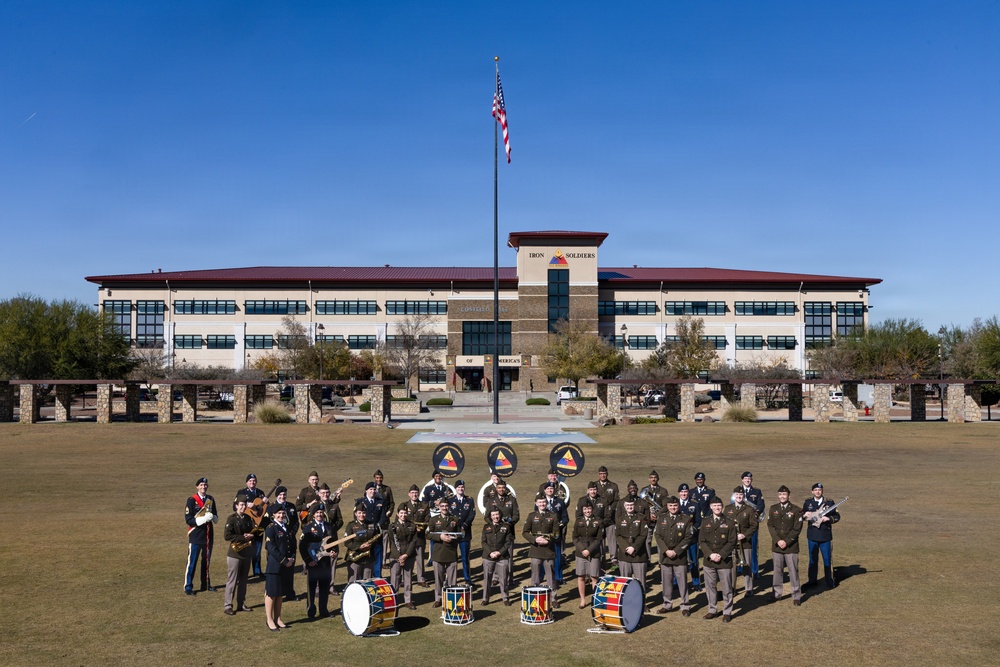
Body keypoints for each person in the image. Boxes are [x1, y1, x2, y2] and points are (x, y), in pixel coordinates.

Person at [653, 496, 694, 615]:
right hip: (665, 556)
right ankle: (667, 604)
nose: (673, 508)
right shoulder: (661, 518)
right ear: (667, 506)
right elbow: (658, 536)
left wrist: (676, 551)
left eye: (675, 506)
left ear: (678, 506)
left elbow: (688, 537)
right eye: (670, 506)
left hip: (679, 556)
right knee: (666, 582)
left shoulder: (685, 519)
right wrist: (666, 550)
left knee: (682, 582)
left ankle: (685, 605)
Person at [699, 497, 737, 622]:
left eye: (719, 505)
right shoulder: (705, 522)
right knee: (710, 587)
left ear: (722, 506)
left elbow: (732, 541)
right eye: (714, 505)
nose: (717, 508)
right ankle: (712, 609)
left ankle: (727, 611)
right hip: (709, 560)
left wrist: (721, 554)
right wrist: (710, 554)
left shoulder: (730, 522)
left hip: (724, 560)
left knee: (727, 587)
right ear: (710, 507)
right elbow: (702, 541)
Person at [767, 485, 804, 605]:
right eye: (780, 494)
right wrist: (778, 540)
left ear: (788, 495)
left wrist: (786, 541)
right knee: (777, 571)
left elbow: (797, 529)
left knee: (793, 571)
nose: (782, 496)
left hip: (791, 546)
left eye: (784, 494)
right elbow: (770, 526)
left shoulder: (796, 510)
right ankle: (776, 593)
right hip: (777, 545)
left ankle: (796, 595)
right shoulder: (773, 509)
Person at [522, 496, 559, 606]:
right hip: (536, 550)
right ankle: (535, 597)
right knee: (535, 575)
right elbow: (525, 532)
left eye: (544, 502)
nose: (542, 504)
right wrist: (534, 540)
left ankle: (553, 599)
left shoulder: (553, 516)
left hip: (548, 551)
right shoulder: (531, 516)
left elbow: (557, 534)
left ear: (546, 503)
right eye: (540, 502)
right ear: (536, 503)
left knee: (550, 576)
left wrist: (548, 542)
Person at [299, 505, 335, 619]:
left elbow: (333, 542)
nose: (319, 514)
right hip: (313, 562)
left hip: (325, 562)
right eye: (317, 512)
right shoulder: (308, 527)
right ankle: (311, 611)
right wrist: (308, 561)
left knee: (324, 587)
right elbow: (302, 546)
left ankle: (323, 610)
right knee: (312, 588)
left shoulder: (329, 526)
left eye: (321, 512)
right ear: (313, 514)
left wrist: (333, 552)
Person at [263, 506, 295, 631]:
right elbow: (271, 548)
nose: (281, 516)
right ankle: (269, 620)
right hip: (275, 566)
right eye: (279, 513)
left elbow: (291, 545)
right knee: (271, 593)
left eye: (283, 513)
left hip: (285, 566)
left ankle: (278, 618)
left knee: (280, 593)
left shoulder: (286, 527)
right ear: (274, 515)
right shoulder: (271, 528)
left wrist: (291, 558)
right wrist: (284, 561)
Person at [802, 482, 840, 588]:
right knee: (813, 559)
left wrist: (829, 519)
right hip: (812, 535)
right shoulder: (807, 502)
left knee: (827, 559)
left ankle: (829, 580)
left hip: (825, 536)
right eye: (815, 490)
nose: (817, 492)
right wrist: (805, 515)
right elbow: (802, 515)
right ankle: (812, 580)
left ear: (822, 491)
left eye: (819, 490)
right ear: (812, 491)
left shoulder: (829, 503)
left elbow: (837, 516)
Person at [184, 477, 217, 595]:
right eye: (201, 485)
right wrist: (204, 518)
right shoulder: (192, 500)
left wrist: (212, 516)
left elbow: (215, 516)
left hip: (208, 535)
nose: (204, 487)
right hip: (196, 535)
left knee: (206, 561)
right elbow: (189, 520)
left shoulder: (210, 499)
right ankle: (188, 586)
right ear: (197, 487)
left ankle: (206, 584)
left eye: (205, 485)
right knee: (192, 562)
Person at [223, 498, 256, 615]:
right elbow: (227, 536)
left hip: (246, 553)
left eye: (244, 505)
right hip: (235, 554)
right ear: (236, 506)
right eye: (241, 505)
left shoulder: (248, 518)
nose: (243, 507)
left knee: (243, 581)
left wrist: (252, 535)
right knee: (232, 580)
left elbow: (254, 530)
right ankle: (228, 605)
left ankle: (241, 603)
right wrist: (243, 537)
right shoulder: (231, 519)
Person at [724, 487, 758, 596]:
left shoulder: (749, 509)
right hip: (732, 543)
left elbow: (754, 525)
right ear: (734, 495)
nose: (739, 497)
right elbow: (724, 525)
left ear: (744, 496)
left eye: (741, 495)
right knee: (732, 567)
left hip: (745, 543)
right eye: (737, 495)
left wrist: (745, 535)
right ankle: (732, 589)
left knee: (746, 566)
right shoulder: (727, 508)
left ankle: (749, 588)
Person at [428, 497, 461, 607]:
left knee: (452, 579)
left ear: (449, 506)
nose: (444, 508)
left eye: (446, 506)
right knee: (438, 578)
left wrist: (453, 537)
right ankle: (438, 598)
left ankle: (452, 597)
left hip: (451, 552)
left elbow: (461, 534)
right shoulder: (433, 520)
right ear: (439, 507)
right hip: (438, 553)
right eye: (442, 506)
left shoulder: (455, 519)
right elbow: (428, 534)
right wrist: (440, 537)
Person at [572, 499, 603, 608]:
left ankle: (594, 599)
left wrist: (589, 550)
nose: (587, 511)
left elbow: (599, 539)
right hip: (581, 553)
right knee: (581, 576)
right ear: (582, 510)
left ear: (592, 509)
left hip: (594, 553)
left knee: (594, 577)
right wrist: (582, 550)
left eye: (589, 509)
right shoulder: (578, 521)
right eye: (585, 509)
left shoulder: (598, 521)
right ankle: (583, 600)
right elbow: (575, 538)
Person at [398, 484, 431, 587]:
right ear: (409, 494)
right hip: (407, 538)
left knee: (420, 558)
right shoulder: (404, 505)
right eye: (412, 493)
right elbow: (399, 520)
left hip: (419, 537)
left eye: (416, 493)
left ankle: (421, 578)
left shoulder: (424, 505)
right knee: (407, 558)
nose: (414, 495)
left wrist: (421, 529)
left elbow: (428, 520)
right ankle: (404, 578)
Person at [616, 498, 649, 597]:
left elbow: (644, 534)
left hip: (639, 555)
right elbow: (617, 535)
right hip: (624, 554)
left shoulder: (641, 517)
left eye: (631, 505)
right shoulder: (619, 519)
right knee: (625, 583)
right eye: (627, 505)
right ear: (624, 506)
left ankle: (642, 604)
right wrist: (626, 547)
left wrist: (634, 547)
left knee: (640, 582)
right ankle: (627, 603)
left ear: (634, 506)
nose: (629, 507)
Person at [387, 506, 418, 609]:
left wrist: (406, 555)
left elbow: (414, 541)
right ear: (397, 514)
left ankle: (408, 601)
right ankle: (394, 600)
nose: (403, 515)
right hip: (396, 556)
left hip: (408, 555)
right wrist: (399, 557)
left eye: (405, 513)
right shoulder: (392, 526)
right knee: (395, 579)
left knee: (408, 578)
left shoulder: (412, 525)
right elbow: (391, 543)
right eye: (401, 513)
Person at [481, 509, 514, 606]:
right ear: (490, 517)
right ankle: (485, 598)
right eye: (493, 515)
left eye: (497, 515)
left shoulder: (506, 526)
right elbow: (483, 542)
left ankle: (505, 598)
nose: (495, 517)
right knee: (487, 578)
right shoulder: (486, 527)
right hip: (488, 556)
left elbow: (508, 542)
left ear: (500, 515)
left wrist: (499, 552)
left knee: (503, 578)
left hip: (502, 557)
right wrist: (490, 553)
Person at [539, 481, 569, 585]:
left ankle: (559, 577)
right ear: (544, 490)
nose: (550, 490)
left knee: (557, 556)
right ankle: (542, 576)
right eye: (548, 489)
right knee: (543, 555)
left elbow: (565, 518)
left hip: (556, 534)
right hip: (544, 535)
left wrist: (561, 524)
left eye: (551, 489)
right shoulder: (541, 502)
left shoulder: (560, 502)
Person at [449, 480, 476, 587]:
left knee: (465, 557)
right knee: (452, 557)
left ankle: (467, 578)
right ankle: (451, 579)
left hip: (465, 532)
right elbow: (449, 513)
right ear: (455, 489)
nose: (461, 489)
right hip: (454, 532)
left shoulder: (469, 500)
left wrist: (465, 525)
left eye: (462, 487)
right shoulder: (450, 500)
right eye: (459, 487)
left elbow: (472, 514)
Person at [739, 471, 765, 578]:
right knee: (740, 546)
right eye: (745, 478)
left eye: (749, 479)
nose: (747, 480)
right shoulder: (738, 491)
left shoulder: (757, 491)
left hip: (752, 523)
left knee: (753, 546)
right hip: (741, 523)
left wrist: (755, 514)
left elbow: (761, 505)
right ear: (742, 480)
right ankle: (741, 566)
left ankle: (755, 570)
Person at [344, 504, 379, 583]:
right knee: (353, 582)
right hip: (355, 557)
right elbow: (347, 542)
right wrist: (360, 547)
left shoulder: (371, 524)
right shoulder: (351, 525)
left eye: (363, 513)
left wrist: (370, 545)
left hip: (368, 558)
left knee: (367, 582)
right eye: (359, 513)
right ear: (355, 513)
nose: (362, 515)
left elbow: (376, 538)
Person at [358, 482, 388, 577]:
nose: (372, 491)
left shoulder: (380, 502)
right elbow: (357, 517)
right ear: (366, 490)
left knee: (378, 556)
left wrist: (377, 525)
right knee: (364, 558)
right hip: (365, 534)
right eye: (370, 489)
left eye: (374, 489)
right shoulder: (360, 501)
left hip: (376, 534)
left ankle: (377, 577)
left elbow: (383, 517)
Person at [677, 483, 702, 591]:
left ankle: (696, 582)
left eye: (686, 492)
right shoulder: (675, 504)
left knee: (693, 561)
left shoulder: (695, 504)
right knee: (677, 561)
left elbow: (698, 520)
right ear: (679, 493)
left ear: (688, 493)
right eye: (682, 492)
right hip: (678, 539)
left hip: (692, 539)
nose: (684, 494)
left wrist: (694, 529)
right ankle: (675, 582)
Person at [640, 470, 668, 555]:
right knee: (647, 539)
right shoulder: (644, 490)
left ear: (658, 479)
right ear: (649, 479)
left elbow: (665, 506)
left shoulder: (663, 491)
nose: (653, 479)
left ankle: (661, 560)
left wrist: (656, 514)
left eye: (655, 477)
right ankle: (647, 560)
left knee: (660, 540)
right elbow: (642, 505)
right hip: (648, 519)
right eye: (651, 477)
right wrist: (649, 515)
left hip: (659, 519)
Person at [596, 466, 620, 562]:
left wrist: (610, 509)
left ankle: (614, 558)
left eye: (604, 473)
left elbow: (616, 500)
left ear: (607, 474)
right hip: (599, 517)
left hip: (610, 517)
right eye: (601, 474)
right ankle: (601, 557)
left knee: (612, 539)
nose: (603, 475)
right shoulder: (594, 485)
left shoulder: (613, 486)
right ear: (598, 474)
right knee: (600, 538)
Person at [373, 470, 395, 570]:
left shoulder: (387, 489)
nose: (379, 479)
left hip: (385, 519)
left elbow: (392, 503)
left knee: (385, 540)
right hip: (374, 520)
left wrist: (389, 512)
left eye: (380, 478)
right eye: (377, 478)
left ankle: (383, 561)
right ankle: (374, 559)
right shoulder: (371, 488)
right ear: (374, 478)